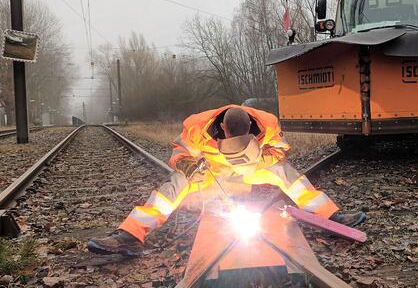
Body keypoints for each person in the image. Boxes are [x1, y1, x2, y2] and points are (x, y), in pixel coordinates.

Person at [88, 105, 366, 256]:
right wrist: (187, 165)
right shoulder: (196, 125)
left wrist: (264, 160)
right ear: (221, 128)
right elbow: (179, 151)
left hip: (253, 168)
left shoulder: (267, 123)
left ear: (251, 130)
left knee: (285, 172)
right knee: (175, 184)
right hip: (212, 172)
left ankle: (332, 216)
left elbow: (280, 150)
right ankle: (132, 234)